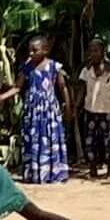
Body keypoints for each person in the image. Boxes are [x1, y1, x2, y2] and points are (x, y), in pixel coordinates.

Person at [15, 35, 70, 186]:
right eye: (30, 50)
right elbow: (17, 87)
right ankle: (35, 173)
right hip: (32, 112)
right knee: (33, 140)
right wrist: (1, 97)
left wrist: (68, 108)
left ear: (45, 50)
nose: (31, 53)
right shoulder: (26, 68)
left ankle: (53, 173)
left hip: (49, 111)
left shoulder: (54, 66)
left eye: (35, 50)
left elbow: (63, 88)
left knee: (50, 139)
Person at [77, 48, 110, 179]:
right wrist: (76, 107)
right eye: (91, 51)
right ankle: (93, 168)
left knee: (109, 141)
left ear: (103, 52)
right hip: (90, 111)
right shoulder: (86, 70)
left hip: (107, 111)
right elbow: (81, 90)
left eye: (96, 51)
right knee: (90, 141)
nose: (93, 54)